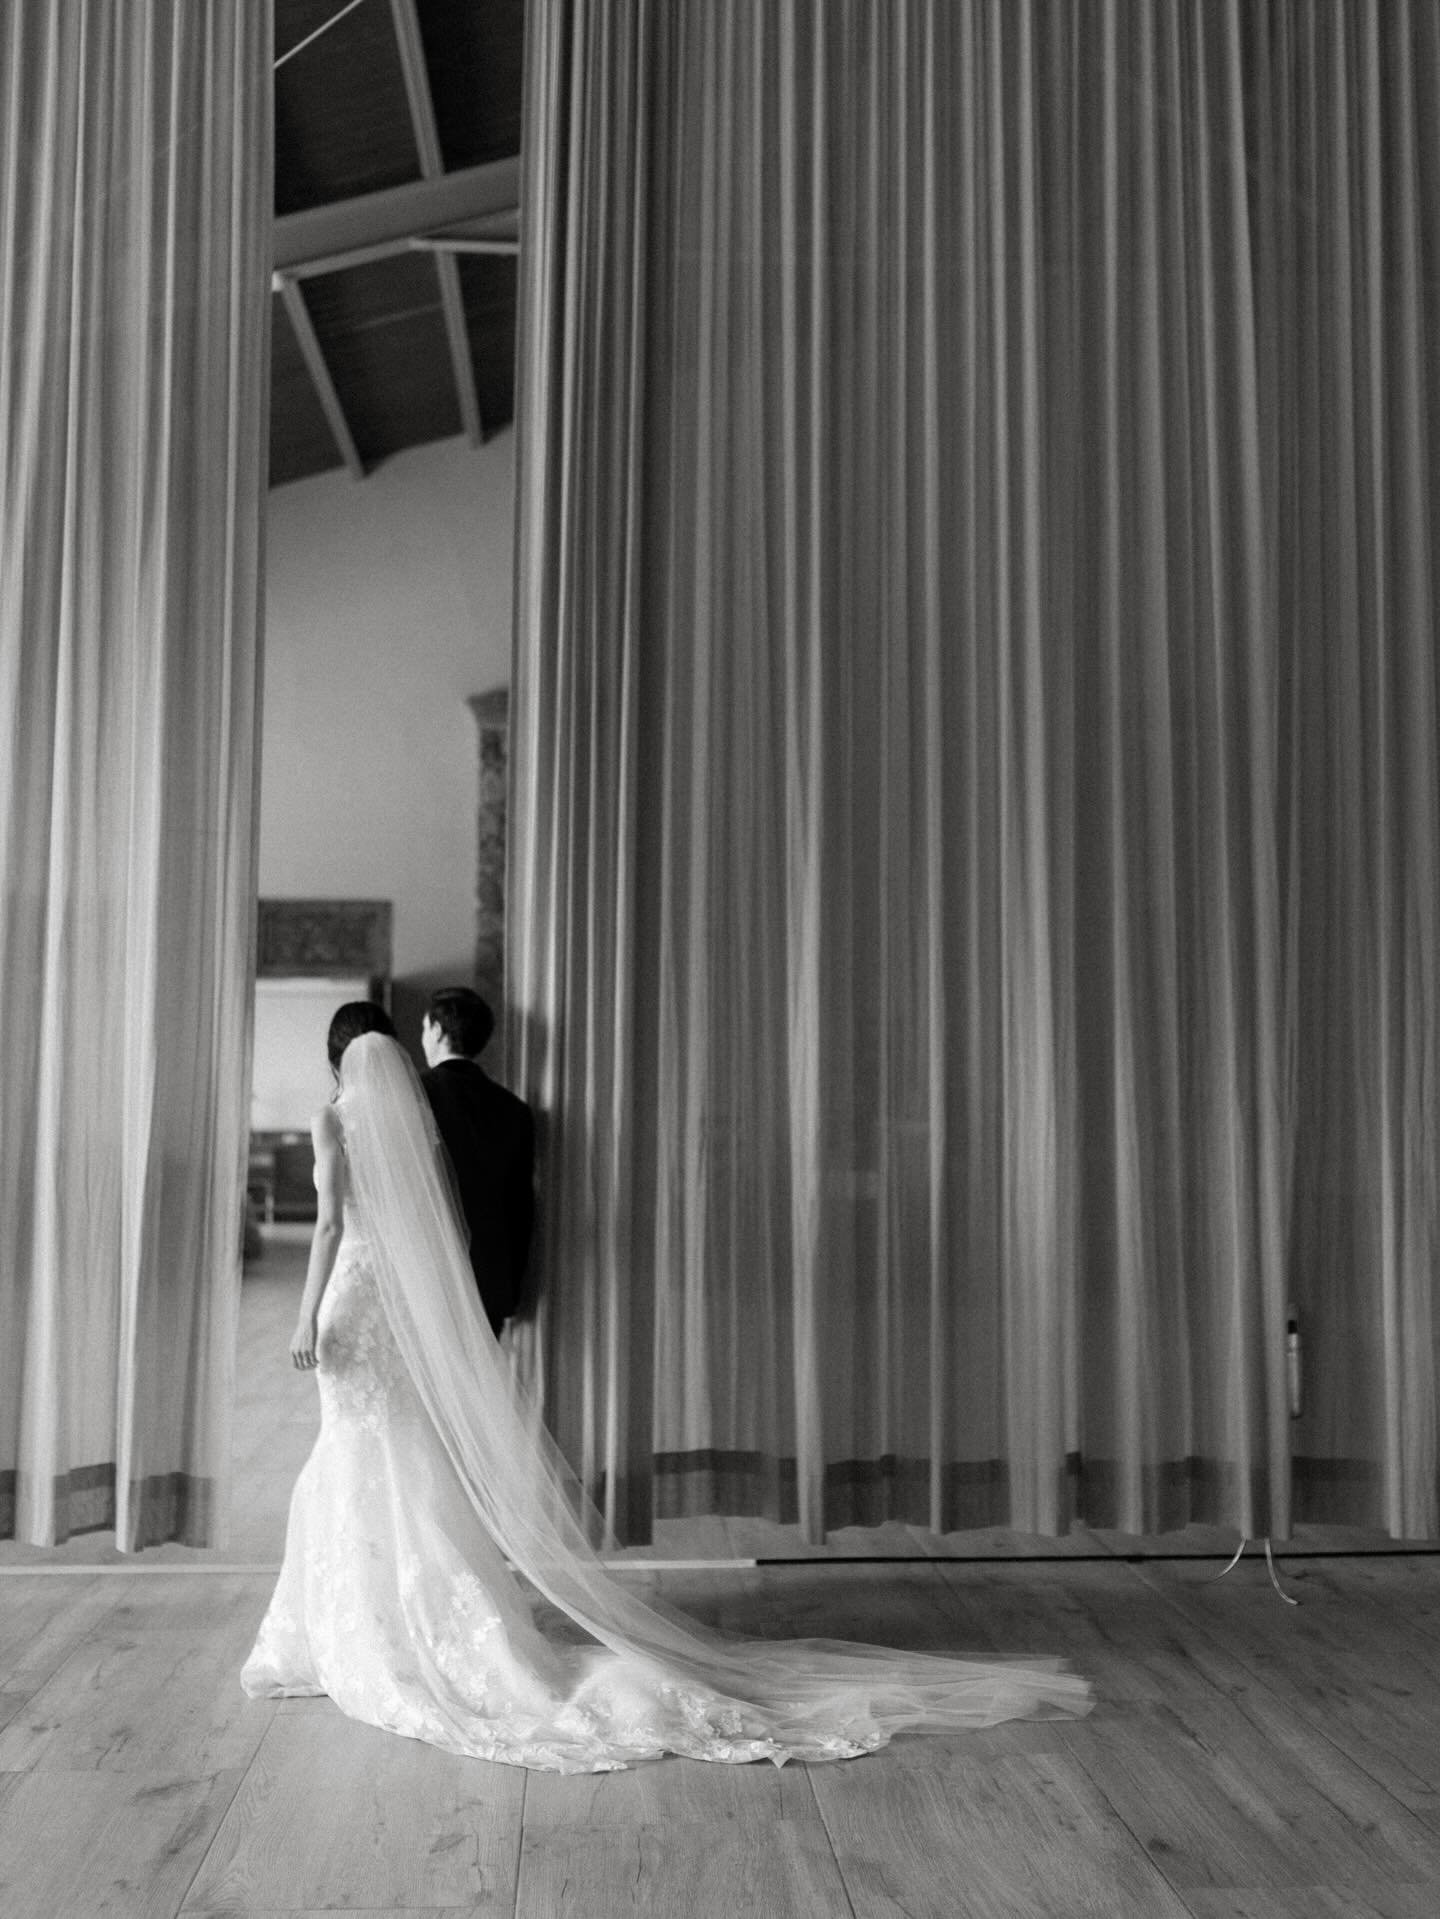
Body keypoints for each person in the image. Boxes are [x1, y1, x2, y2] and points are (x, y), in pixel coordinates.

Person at [242, 1014, 1090, 1772]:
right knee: (402, 1461)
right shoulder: (417, 1119)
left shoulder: (333, 1119)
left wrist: (303, 1314)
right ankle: (404, 1620)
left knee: (353, 1455)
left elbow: (324, 1226)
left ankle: (359, 1630)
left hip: (350, 1298)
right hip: (398, 1304)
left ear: (339, 1062)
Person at [420, 986, 534, 1334]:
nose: (423, 1038)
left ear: (438, 1031)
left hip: (426, 1272)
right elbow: (522, 1206)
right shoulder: (515, 1110)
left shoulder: (415, 1094)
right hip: (490, 1276)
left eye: (425, 1029)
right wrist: (509, 1288)